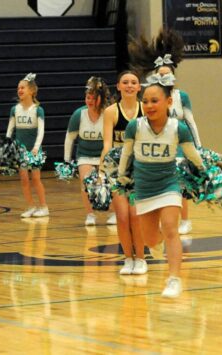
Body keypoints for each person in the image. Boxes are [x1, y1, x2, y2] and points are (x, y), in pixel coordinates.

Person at [117, 73, 204, 298]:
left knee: (170, 228)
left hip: (169, 183)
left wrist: (206, 172)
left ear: (168, 102)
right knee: (151, 239)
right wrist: (121, 178)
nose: (148, 105)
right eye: (145, 101)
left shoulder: (178, 128)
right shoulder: (135, 127)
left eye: (154, 101)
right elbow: (126, 154)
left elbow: (193, 155)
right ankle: (166, 250)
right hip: (144, 187)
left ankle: (173, 279)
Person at [129, 28, 201, 235]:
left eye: (167, 75)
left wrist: (198, 146)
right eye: (160, 76)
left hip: (179, 145)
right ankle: (162, 221)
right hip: (157, 146)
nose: (163, 79)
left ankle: (184, 219)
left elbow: (191, 122)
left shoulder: (182, 96)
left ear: (173, 76)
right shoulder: (151, 98)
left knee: (180, 182)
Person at [99, 71, 146, 275]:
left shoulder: (146, 109)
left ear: (139, 87)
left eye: (133, 82)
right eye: (125, 82)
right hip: (117, 169)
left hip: (140, 168)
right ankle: (128, 258)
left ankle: (141, 259)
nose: (129, 85)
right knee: (122, 216)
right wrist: (102, 172)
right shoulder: (111, 111)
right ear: (118, 86)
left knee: (136, 216)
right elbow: (107, 144)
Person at [64, 77, 112, 226]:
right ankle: (90, 214)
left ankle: (113, 213)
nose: (89, 101)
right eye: (87, 97)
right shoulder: (79, 114)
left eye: (94, 98)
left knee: (108, 184)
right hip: (85, 155)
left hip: (105, 155)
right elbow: (70, 138)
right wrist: (67, 161)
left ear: (102, 99)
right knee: (86, 183)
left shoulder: (109, 113)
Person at [6, 73, 48, 218]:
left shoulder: (38, 110)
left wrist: (36, 147)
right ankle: (30, 206)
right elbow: (10, 129)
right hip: (20, 149)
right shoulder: (14, 109)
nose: (20, 90)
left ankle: (44, 207)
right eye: (18, 88)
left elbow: (41, 130)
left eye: (23, 87)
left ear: (32, 91)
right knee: (24, 178)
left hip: (34, 149)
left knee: (36, 179)